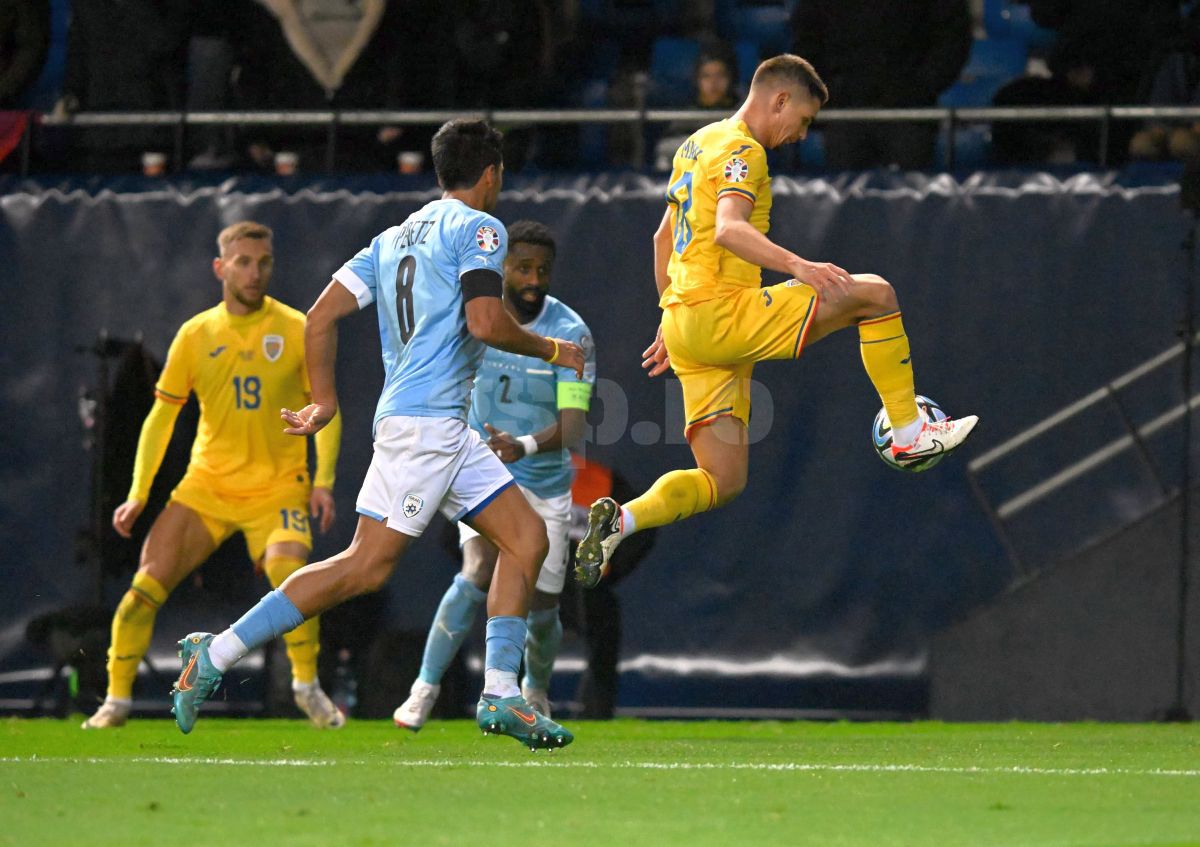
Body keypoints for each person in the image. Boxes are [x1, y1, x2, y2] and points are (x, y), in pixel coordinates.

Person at [168, 119, 586, 751]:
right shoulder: (481, 228)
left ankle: (501, 695)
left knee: (527, 538)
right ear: (492, 173)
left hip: (441, 425)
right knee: (363, 567)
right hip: (425, 428)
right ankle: (217, 652)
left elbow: (319, 318)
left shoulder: (391, 238)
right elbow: (484, 321)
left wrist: (324, 401)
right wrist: (552, 349)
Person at [574, 55, 979, 588]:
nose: (802, 135)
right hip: (722, 313)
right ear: (780, 100)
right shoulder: (744, 150)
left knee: (722, 479)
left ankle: (622, 520)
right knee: (876, 295)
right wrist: (799, 266)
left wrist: (670, 316)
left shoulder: (696, 143)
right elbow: (728, 229)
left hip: (686, 325)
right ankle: (908, 431)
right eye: (804, 120)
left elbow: (662, 239)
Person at [83, 220, 345, 730]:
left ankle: (305, 686)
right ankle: (115, 701)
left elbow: (326, 409)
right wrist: (138, 493)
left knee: (291, 576)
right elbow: (160, 418)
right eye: (243, 262)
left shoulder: (297, 327)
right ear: (220, 268)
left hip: (277, 487)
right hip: (207, 487)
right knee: (141, 592)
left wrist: (323, 481)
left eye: (264, 262)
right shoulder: (196, 334)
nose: (255, 272)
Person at [393, 220, 595, 729]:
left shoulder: (570, 332)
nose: (533, 280)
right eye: (523, 268)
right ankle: (423, 689)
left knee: (543, 609)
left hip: (544, 483)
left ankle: (536, 689)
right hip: (484, 473)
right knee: (477, 569)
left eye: (542, 270)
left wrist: (521, 445)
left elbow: (573, 426)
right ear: (501, 267)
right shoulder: (477, 319)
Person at [789, 0, 971, 169]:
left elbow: (952, 40)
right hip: (844, 113)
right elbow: (806, 43)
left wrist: (919, 88)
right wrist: (832, 92)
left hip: (910, 114)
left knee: (910, 187)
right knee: (843, 183)